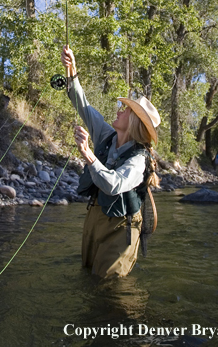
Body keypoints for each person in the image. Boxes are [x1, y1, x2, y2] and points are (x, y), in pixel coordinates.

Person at [61, 46, 160, 278]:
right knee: (87, 276)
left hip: (121, 228)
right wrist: (71, 71)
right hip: (95, 216)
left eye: (125, 110)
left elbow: (114, 184)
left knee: (109, 290)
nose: (119, 110)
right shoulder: (107, 135)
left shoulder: (139, 160)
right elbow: (83, 105)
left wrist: (88, 154)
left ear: (134, 122)